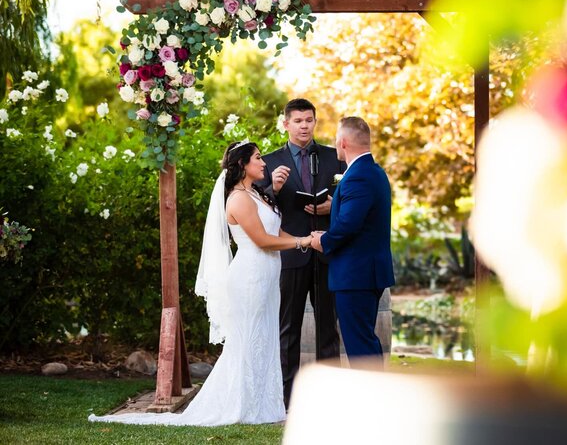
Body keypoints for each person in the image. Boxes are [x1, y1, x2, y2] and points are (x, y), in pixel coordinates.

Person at [89, 141, 312, 426]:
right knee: (246, 342)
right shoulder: (238, 199)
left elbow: (275, 230)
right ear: (243, 164)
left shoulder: (256, 195)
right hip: (250, 276)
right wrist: (303, 242)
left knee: (265, 338)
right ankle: (238, 405)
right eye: (258, 158)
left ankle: (263, 405)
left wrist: (308, 236)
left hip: (268, 276)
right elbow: (262, 240)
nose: (264, 163)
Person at [256, 98, 346, 407]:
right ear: (286, 124)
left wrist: (333, 204)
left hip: (326, 253)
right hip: (291, 254)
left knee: (328, 330)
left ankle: (330, 397)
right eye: (298, 121)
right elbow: (257, 206)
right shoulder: (268, 162)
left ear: (315, 122)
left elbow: (351, 199)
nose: (304, 125)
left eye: (309, 120)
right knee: (289, 329)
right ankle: (288, 398)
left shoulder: (335, 159)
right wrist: (275, 189)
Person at [310, 117, 395, 366]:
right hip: (364, 271)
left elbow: (349, 224)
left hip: (356, 274)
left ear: (343, 142)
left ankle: (370, 402)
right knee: (364, 341)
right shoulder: (372, 171)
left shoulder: (359, 175)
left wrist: (323, 241)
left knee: (359, 345)